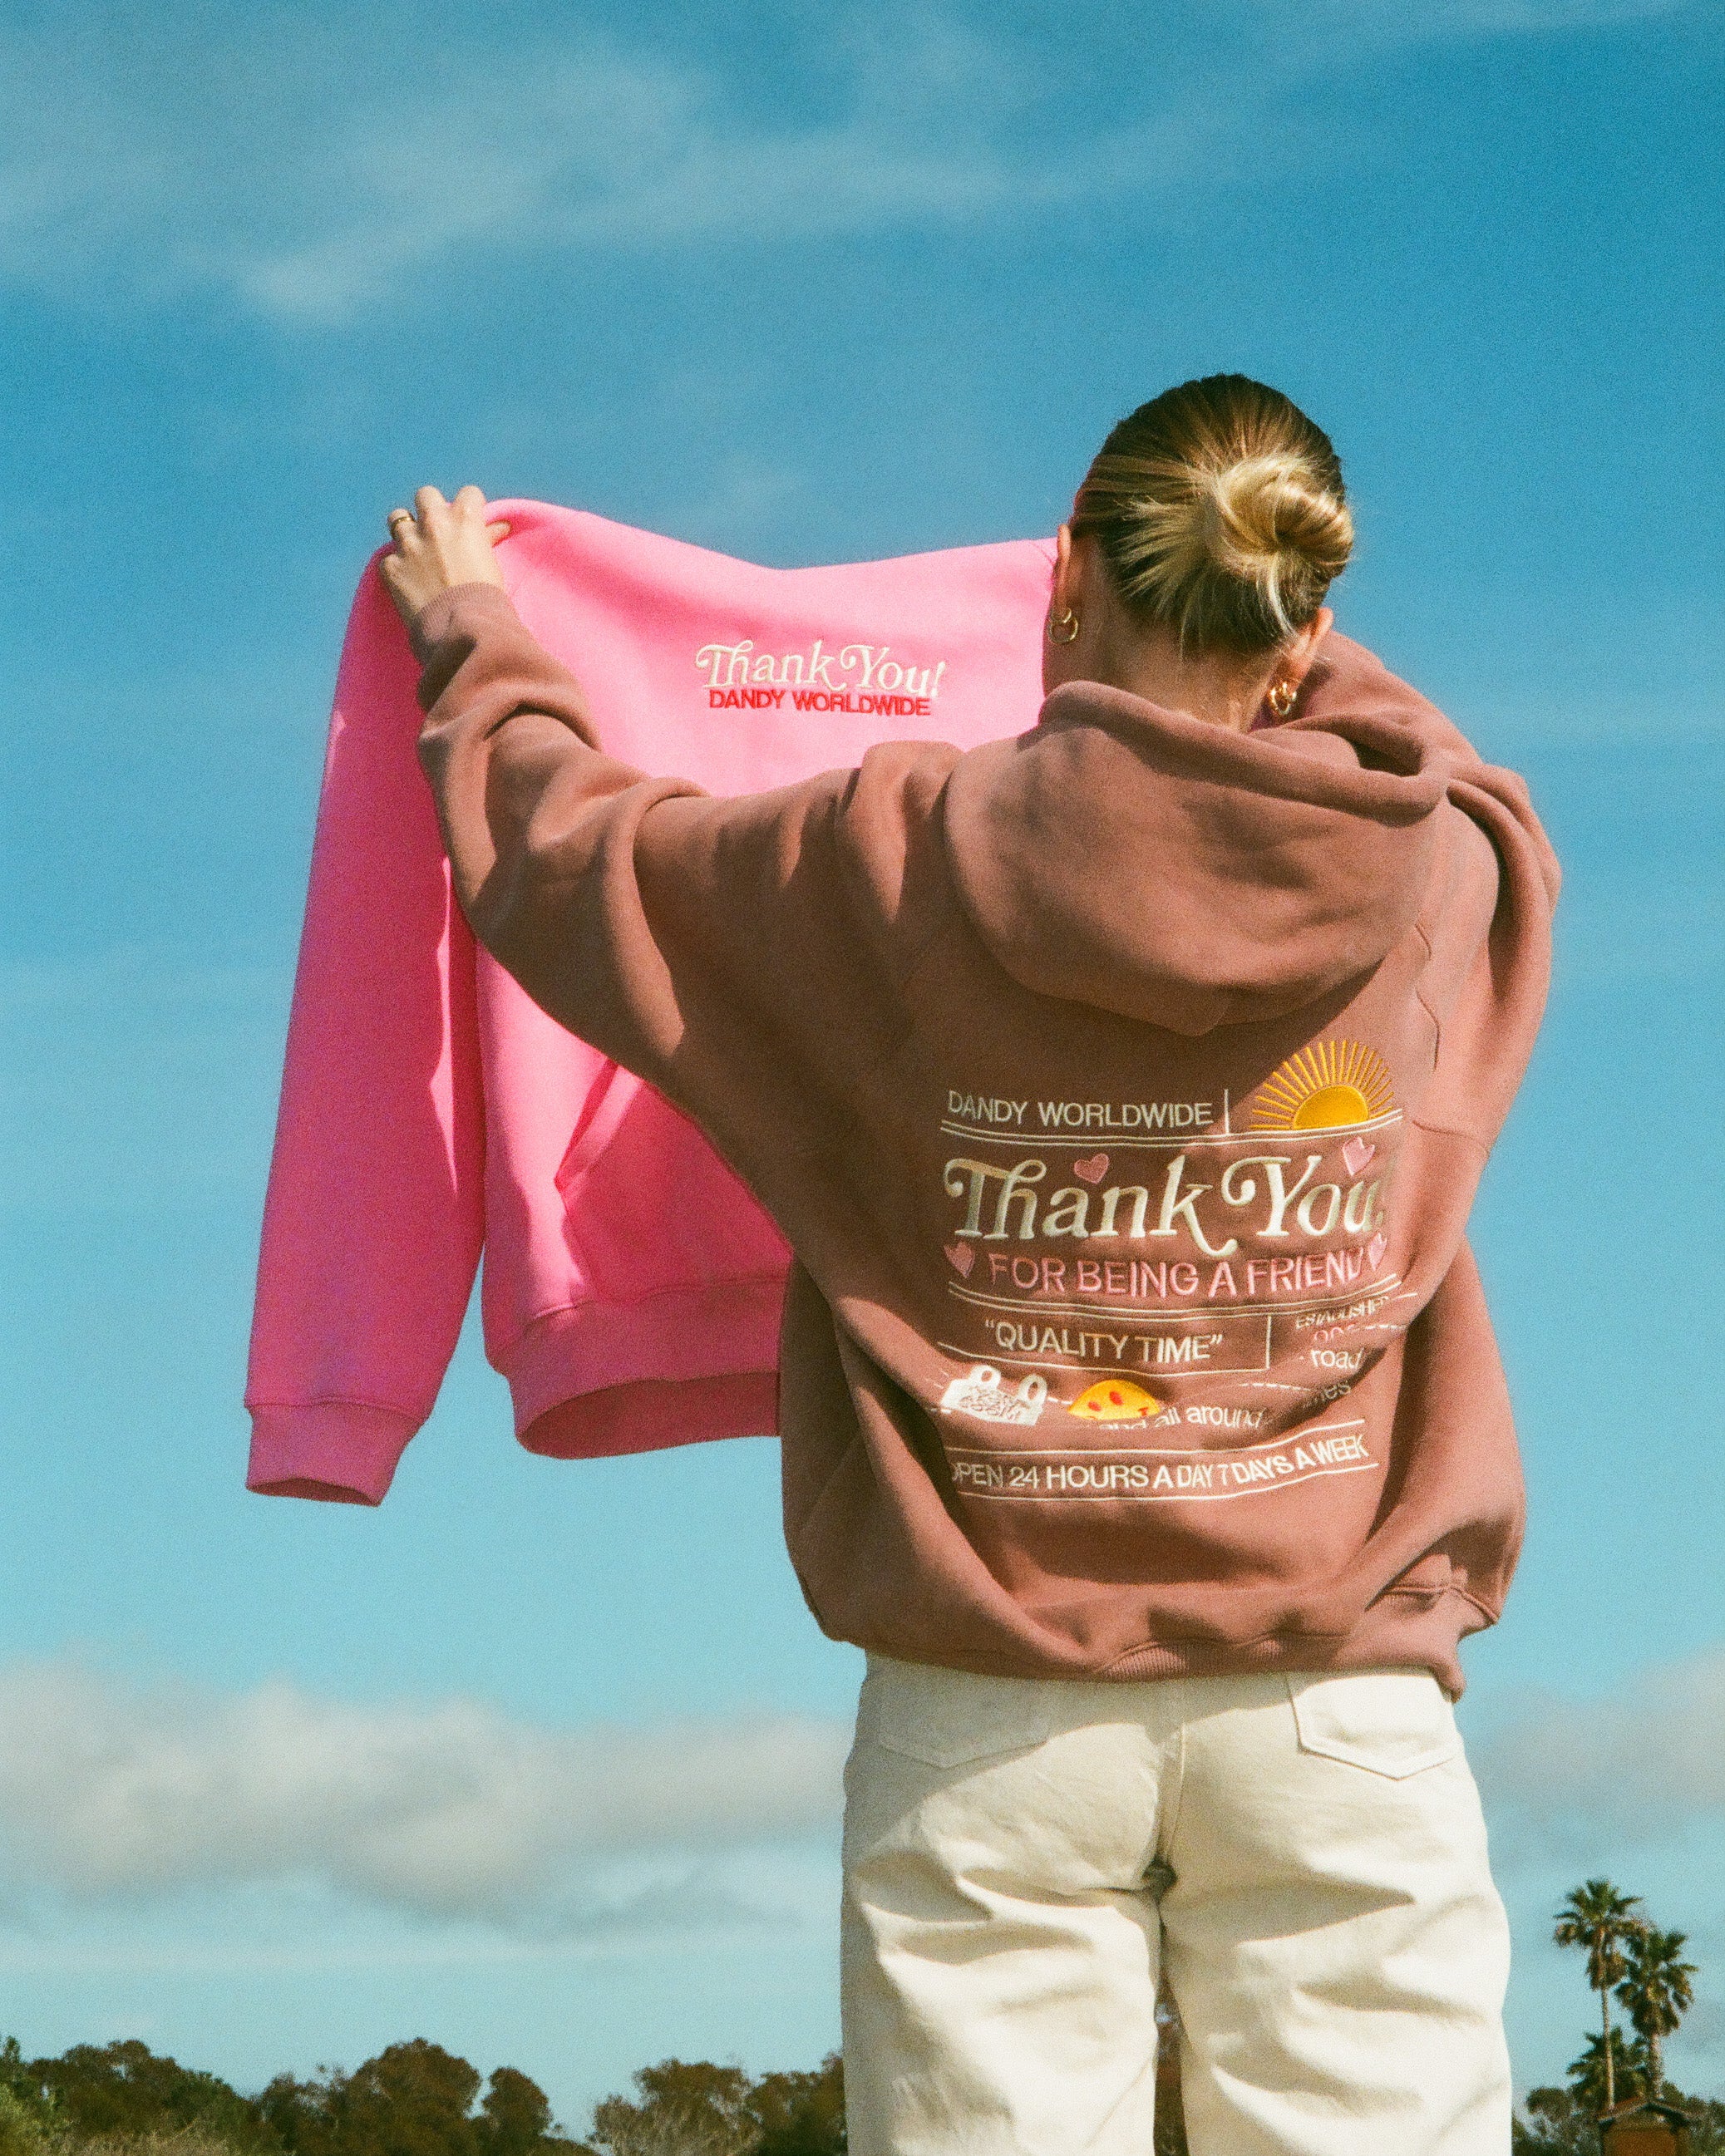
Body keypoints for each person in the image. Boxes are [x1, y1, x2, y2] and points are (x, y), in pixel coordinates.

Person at [377, 375, 1557, 2155]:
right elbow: (1408, 744)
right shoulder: (1457, 868)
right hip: (1338, 1701)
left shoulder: (885, 856)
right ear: (1307, 615)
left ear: (1067, 575)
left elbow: (568, 856)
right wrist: (1288, 646)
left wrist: (475, 635)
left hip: (987, 1703)